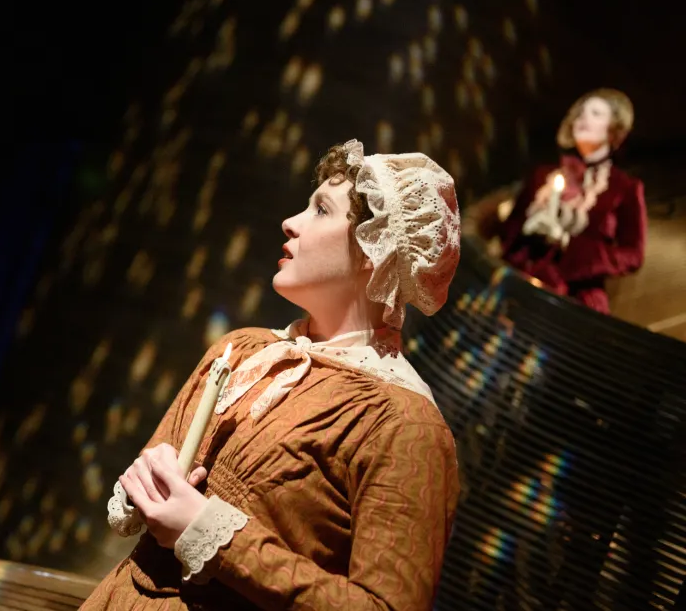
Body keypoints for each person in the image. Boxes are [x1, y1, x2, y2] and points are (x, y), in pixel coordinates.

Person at [84, 140, 461, 609]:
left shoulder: (403, 423)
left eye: (321, 210)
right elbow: (155, 470)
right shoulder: (242, 350)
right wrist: (146, 483)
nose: (291, 222)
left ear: (374, 250)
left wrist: (212, 535)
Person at [497, 88, 646, 315]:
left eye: (595, 113)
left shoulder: (624, 188)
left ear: (615, 130)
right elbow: (510, 232)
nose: (583, 118)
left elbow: (633, 255)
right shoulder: (542, 176)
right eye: (580, 113)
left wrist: (570, 246)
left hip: (579, 295)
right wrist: (532, 233)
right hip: (524, 284)